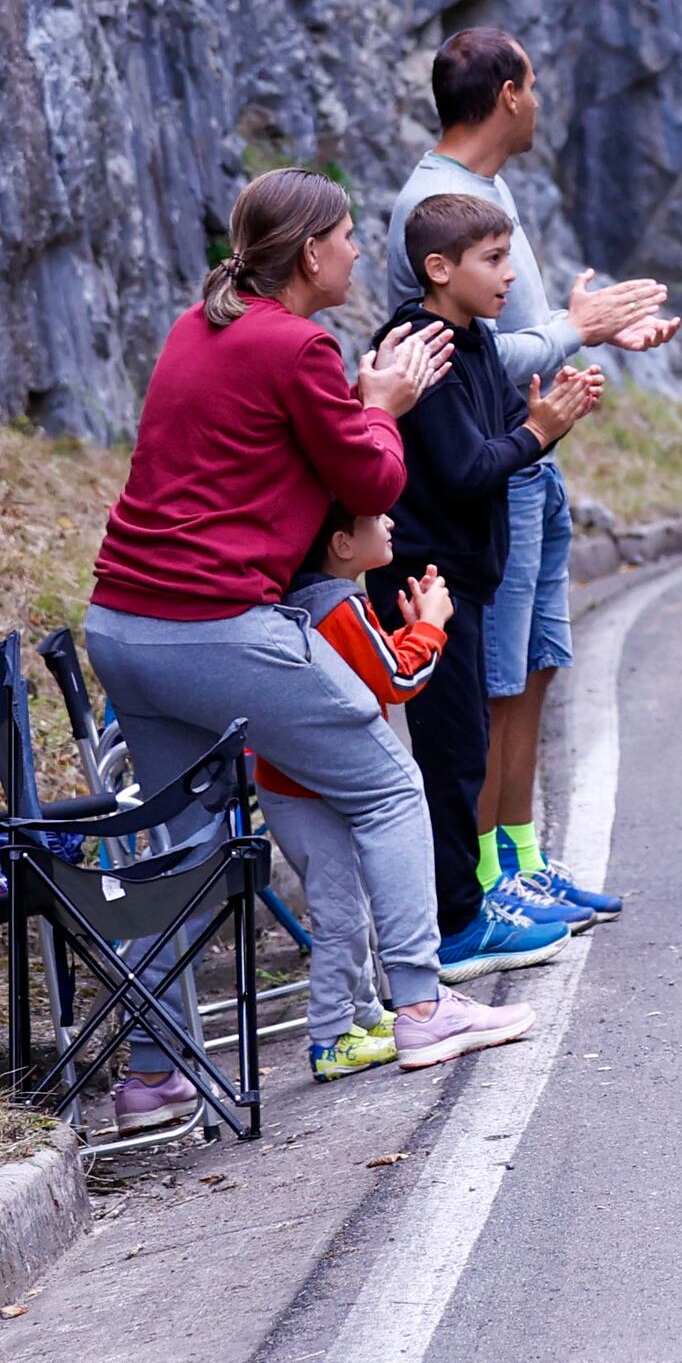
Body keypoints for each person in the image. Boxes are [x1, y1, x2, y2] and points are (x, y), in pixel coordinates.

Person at [80, 171, 526, 1084]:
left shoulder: (195, 323)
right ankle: (421, 1005)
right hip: (215, 623)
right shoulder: (297, 347)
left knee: (185, 846)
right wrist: (384, 405)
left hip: (122, 622)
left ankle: (154, 1074)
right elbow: (372, 484)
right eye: (350, 235)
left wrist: (362, 408)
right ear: (312, 251)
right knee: (391, 789)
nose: (361, 250)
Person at [382, 29, 673, 933]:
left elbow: (517, 332)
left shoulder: (487, 191)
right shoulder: (436, 201)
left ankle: (523, 857)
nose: (539, 102)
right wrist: (575, 329)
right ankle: (480, 888)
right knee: (488, 688)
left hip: (529, 457)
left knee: (536, 664)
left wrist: (592, 328)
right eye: (535, 85)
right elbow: (467, 355)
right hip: (492, 466)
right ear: (508, 94)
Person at [382, 190, 608, 980]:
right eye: (493, 259)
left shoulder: (472, 340)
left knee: (466, 743)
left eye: (508, 256)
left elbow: (494, 438)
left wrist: (545, 418)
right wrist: (539, 433)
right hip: (427, 580)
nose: (510, 275)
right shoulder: (423, 345)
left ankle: (473, 905)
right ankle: (454, 928)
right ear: (439, 268)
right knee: (450, 754)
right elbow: (465, 467)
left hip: (464, 576)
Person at [260, 512, 536, 1078]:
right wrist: (433, 625)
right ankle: (333, 1037)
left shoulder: (311, 599)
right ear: (341, 543)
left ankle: (355, 1022)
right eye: (372, 518)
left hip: (293, 785)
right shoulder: (340, 606)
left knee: (344, 906)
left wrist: (408, 632)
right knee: (340, 912)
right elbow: (398, 681)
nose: (389, 521)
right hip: (313, 792)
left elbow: (375, 666)